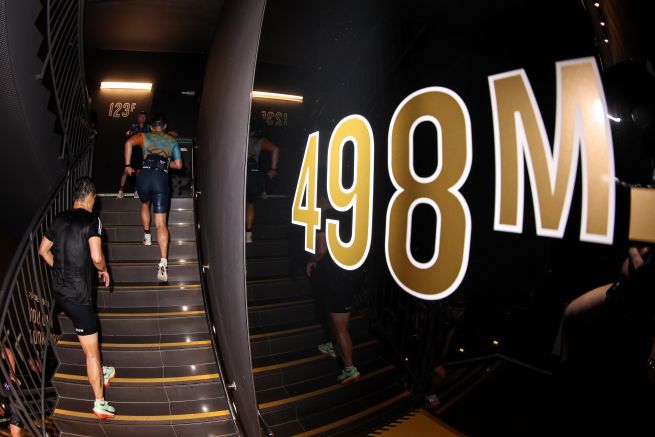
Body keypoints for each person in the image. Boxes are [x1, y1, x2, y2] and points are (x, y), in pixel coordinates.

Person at [38, 177, 116, 419]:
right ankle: (99, 402)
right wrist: (104, 270)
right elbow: (96, 257)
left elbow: (43, 250)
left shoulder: (59, 218)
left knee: (92, 341)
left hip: (60, 295)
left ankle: (102, 370)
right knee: (91, 352)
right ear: (91, 197)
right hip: (79, 299)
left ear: (75, 197)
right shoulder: (93, 220)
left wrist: (60, 270)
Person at [306, 196, 363, 385]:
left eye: (317, 200)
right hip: (350, 275)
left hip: (339, 279)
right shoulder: (349, 215)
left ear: (323, 199)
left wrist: (311, 260)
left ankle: (350, 369)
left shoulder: (324, 216)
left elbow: (321, 249)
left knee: (341, 328)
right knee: (334, 319)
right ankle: (333, 345)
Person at [124, 113, 183, 282]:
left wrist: (127, 165)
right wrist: (164, 162)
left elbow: (128, 143)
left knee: (145, 203)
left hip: (144, 175)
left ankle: (147, 236)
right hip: (160, 178)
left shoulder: (144, 136)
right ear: (164, 127)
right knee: (161, 223)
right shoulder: (171, 140)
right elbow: (179, 165)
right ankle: (163, 262)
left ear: (150, 127)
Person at [246, 126, 279, 243]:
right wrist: (273, 169)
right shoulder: (257, 140)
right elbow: (275, 148)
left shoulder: (233, 137)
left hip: (237, 173)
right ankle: (248, 235)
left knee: (237, 203)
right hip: (252, 174)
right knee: (250, 204)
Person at [118, 110, 151, 199]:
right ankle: (120, 191)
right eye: (141, 116)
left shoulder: (148, 128)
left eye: (144, 116)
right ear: (138, 117)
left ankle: (136, 191)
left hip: (142, 152)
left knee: (139, 172)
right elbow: (127, 133)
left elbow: (153, 136)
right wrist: (129, 133)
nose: (142, 118)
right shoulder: (133, 126)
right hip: (132, 151)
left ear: (145, 118)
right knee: (126, 170)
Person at [1, 345, 22, 436]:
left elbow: (8, 352)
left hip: (7, 389)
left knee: (15, 413)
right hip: (4, 392)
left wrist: (12, 373)